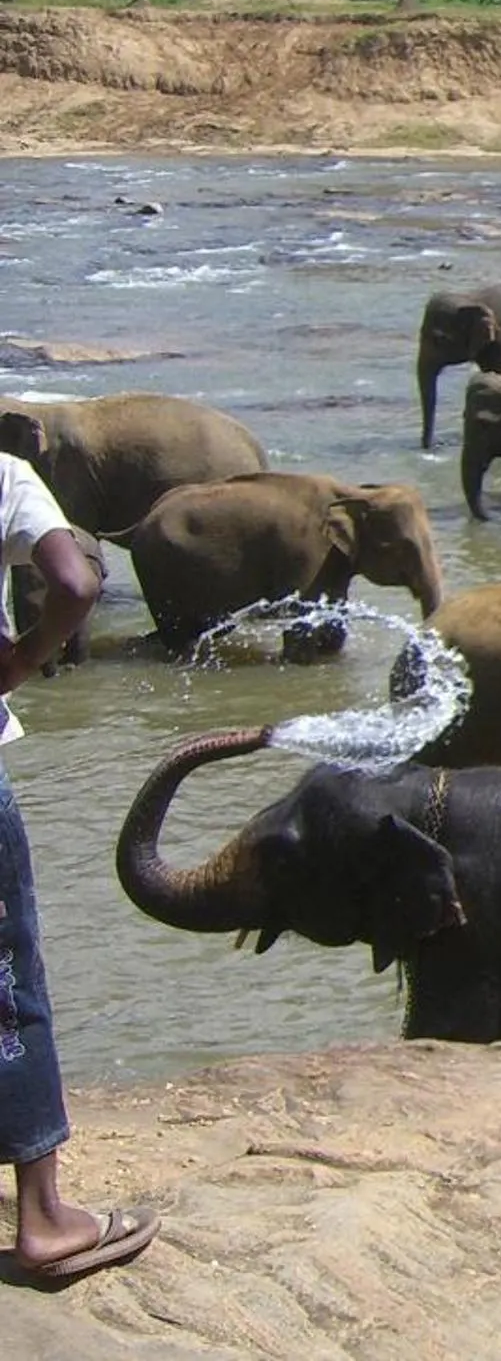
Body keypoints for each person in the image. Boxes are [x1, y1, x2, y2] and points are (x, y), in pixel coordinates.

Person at [1, 449, 159, 1285]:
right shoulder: (3, 475)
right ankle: (44, 1219)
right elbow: (75, 585)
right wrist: (21, 662)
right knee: (7, 983)